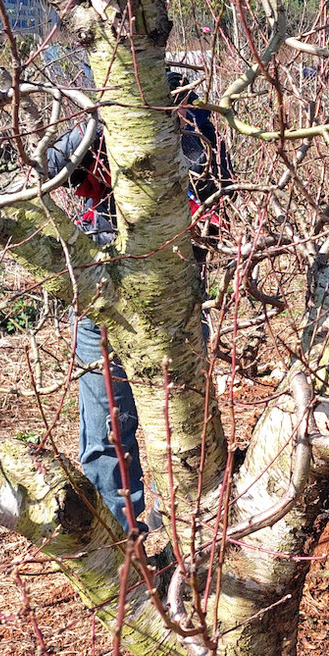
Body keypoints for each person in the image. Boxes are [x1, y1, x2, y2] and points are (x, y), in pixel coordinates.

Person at [44, 71, 231, 531]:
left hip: (173, 294)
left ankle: (190, 529)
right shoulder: (103, 118)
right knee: (106, 426)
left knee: (183, 422)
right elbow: (52, 164)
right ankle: (121, 538)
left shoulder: (195, 124)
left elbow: (213, 194)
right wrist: (98, 123)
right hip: (101, 287)